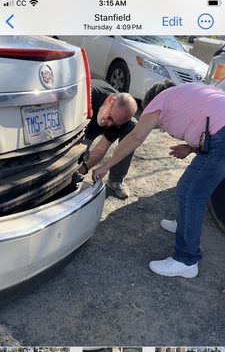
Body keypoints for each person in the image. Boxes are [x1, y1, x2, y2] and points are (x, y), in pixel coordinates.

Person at [92, 81, 225, 278]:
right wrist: (190, 148)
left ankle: (187, 260)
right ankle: (184, 225)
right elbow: (209, 124)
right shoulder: (192, 91)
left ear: (149, 103)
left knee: (190, 193)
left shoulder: (160, 100)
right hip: (219, 137)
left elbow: (136, 137)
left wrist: (105, 166)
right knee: (190, 188)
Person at [77, 79, 137, 199]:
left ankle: (116, 180)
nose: (109, 124)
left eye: (115, 123)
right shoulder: (85, 96)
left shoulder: (119, 119)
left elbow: (100, 150)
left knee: (132, 127)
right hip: (81, 121)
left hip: (94, 123)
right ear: (110, 101)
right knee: (78, 151)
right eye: (110, 118)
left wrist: (83, 169)